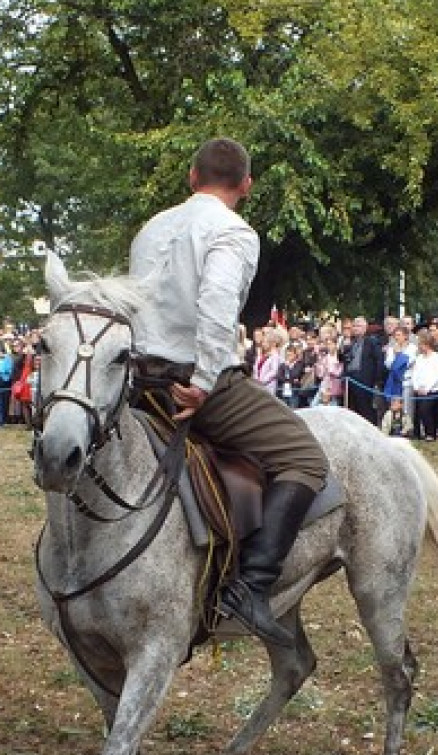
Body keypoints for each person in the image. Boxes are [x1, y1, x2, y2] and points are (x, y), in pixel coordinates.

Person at [129, 137, 328, 647]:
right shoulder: (233, 232)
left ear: (192, 177)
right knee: (304, 456)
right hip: (191, 385)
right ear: (246, 185)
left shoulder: (152, 228)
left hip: (137, 384)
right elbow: (217, 308)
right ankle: (252, 590)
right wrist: (201, 385)